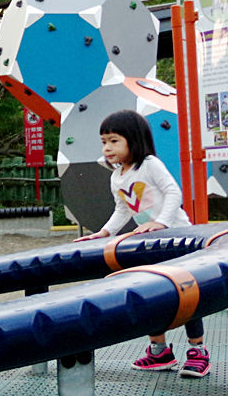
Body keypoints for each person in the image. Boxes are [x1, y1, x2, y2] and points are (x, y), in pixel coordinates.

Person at [78, 109, 206, 377]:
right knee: (152, 294)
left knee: (186, 294)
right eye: (104, 142)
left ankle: (197, 351)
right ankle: (160, 350)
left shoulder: (149, 164)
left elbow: (173, 192)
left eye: (114, 140)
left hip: (177, 238)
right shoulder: (117, 177)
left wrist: (161, 222)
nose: (107, 147)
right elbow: (123, 210)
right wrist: (104, 232)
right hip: (150, 244)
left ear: (133, 139)